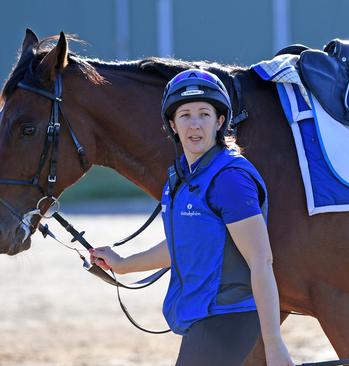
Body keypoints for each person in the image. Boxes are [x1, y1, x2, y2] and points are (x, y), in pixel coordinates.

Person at [90, 69, 294, 366]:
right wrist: (123, 264)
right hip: (204, 314)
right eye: (185, 115)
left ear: (220, 121)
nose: (195, 124)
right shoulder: (182, 177)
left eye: (204, 114)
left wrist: (274, 344)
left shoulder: (230, 179)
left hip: (230, 316)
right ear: (172, 125)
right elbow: (184, 245)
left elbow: (261, 261)